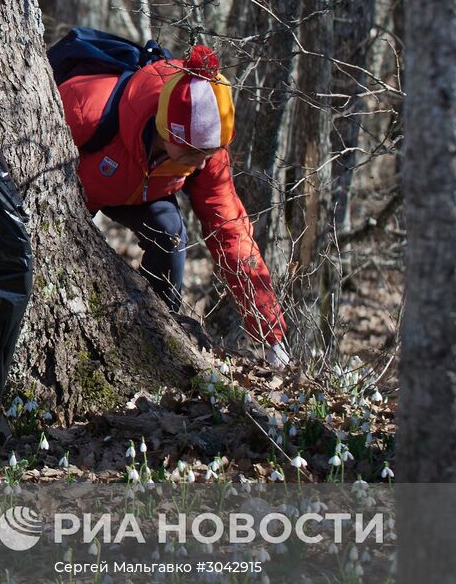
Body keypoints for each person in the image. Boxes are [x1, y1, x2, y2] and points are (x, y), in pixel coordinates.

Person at [59, 46, 291, 365]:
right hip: (73, 195)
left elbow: (231, 231)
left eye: (208, 155)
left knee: (170, 235)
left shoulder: (206, 150)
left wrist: (270, 335)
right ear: (166, 129)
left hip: (142, 194)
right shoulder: (88, 105)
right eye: (192, 155)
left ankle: (156, 337)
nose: (201, 165)